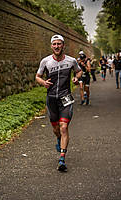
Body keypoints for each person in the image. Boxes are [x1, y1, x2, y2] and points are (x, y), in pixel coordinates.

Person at [35, 35, 82, 172]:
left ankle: (62, 158)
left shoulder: (71, 61)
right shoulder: (46, 61)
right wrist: (43, 82)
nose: (56, 46)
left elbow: (79, 72)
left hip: (65, 97)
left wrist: (76, 78)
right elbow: (37, 76)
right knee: (56, 130)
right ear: (51, 46)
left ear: (63, 45)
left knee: (63, 127)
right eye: (54, 44)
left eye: (59, 44)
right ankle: (59, 140)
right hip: (51, 99)